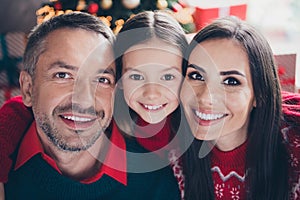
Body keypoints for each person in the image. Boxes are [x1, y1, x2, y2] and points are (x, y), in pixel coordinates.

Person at [1, 12, 181, 199]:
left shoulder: (156, 181)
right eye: (63, 75)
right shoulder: (7, 158)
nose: (84, 98)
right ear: (28, 89)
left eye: (101, 79)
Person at [180, 16, 300, 200]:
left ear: (259, 95)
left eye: (230, 81)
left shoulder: (294, 151)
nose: (205, 98)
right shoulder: (169, 145)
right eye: (196, 76)